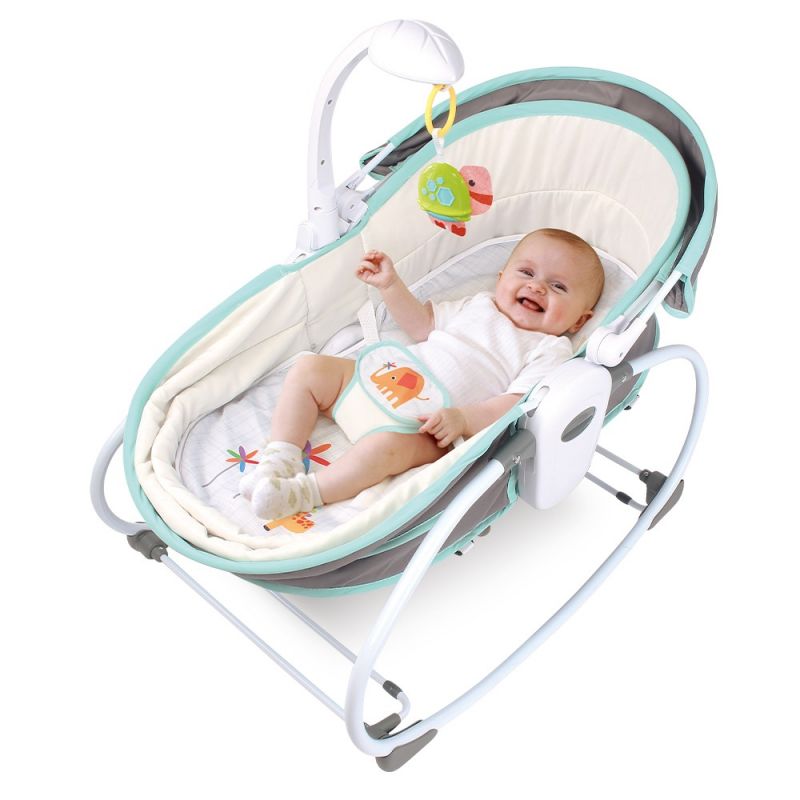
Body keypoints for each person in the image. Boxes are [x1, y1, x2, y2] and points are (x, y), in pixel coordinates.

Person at [240, 228, 605, 520]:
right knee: (310, 368)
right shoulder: (478, 305)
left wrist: (462, 420)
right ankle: (279, 459)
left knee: (383, 453)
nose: (536, 287)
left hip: (425, 426)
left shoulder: (550, 348)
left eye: (558, 287)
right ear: (500, 279)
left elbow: (514, 403)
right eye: (526, 273)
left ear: (580, 320)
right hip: (378, 381)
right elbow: (422, 325)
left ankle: (300, 494)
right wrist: (390, 286)